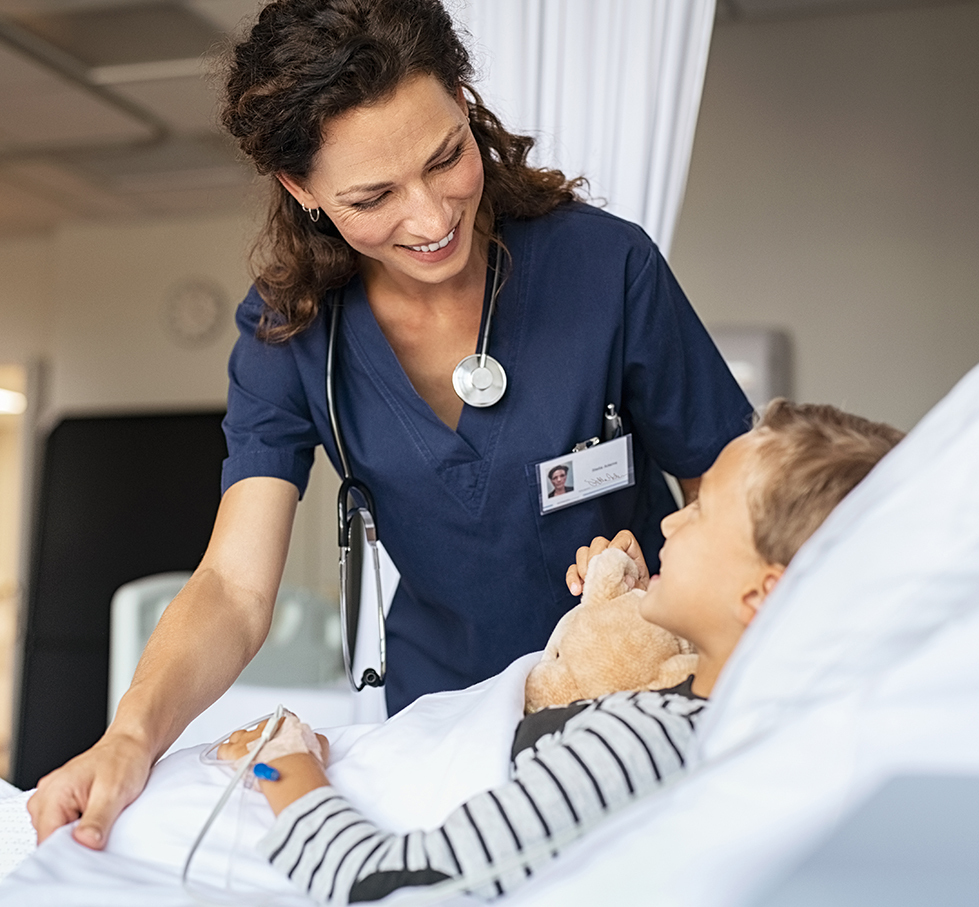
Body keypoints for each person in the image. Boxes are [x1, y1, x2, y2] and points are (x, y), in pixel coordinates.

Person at [28, 0, 752, 849]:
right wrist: (131, 735)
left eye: (446, 156)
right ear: (304, 191)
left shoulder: (605, 267)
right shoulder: (290, 332)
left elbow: (732, 488)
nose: (431, 216)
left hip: (638, 693)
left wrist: (741, 671)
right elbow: (233, 585)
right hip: (443, 721)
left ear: (461, 94)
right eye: (373, 196)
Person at [216, 400, 904, 903]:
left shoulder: (643, 742)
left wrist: (284, 763)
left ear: (761, 596)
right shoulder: (704, 714)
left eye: (700, 512)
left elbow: (391, 886)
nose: (668, 521)